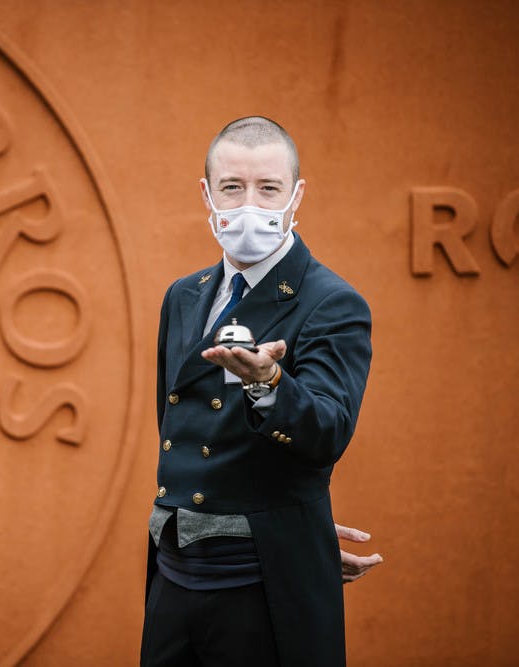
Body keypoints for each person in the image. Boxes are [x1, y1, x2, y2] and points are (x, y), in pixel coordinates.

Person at [141, 116, 381, 667]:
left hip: (259, 583)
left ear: (296, 196)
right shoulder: (185, 294)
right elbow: (177, 424)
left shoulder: (331, 302)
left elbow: (327, 429)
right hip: (175, 567)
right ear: (208, 194)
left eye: (268, 187)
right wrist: (304, 528)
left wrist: (268, 383)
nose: (250, 203)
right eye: (233, 186)